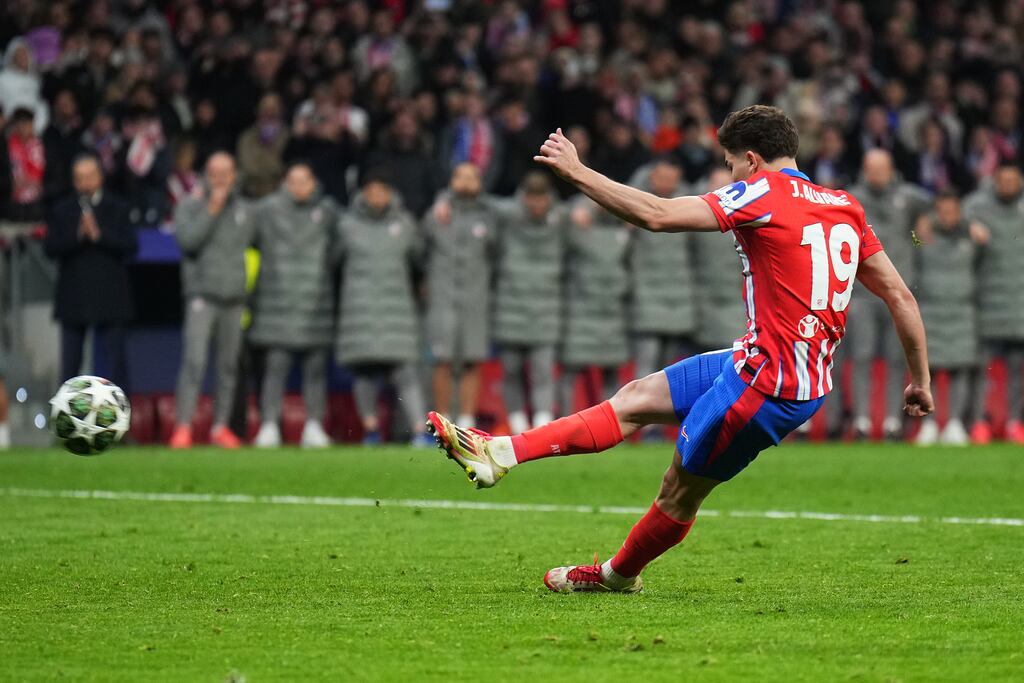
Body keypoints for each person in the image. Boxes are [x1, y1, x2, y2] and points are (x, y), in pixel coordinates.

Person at [427, 105, 933, 593]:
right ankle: (499, 453)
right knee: (637, 397)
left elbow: (656, 214)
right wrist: (919, 380)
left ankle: (616, 576)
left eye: (730, 163)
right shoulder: (844, 205)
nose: (729, 173)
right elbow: (900, 295)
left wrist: (579, 174)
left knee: (679, 491)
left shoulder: (760, 193)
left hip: (766, 388)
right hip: (764, 364)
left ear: (751, 160)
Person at [335, 169, 431, 446]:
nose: (377, 197)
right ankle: (371, 429)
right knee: (364, 372)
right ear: (363, 194)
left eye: (382, 191)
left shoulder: (405, 224)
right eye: (371, 191)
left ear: (390, 194)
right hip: (359, 308)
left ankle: (418, 430)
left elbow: (420, 260)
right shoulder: (347, 225)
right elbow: (334, 261)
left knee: (406, 371)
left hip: (397, 309)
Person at [169, 152, 254, 449]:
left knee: (228, 366)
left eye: (226, 172)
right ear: (206, 174)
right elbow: (188, 241)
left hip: (234, 296)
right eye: (214, 172)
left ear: (234, 175)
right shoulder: (189, 205)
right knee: (194, 361)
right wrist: (212, 208)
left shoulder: (245, 210)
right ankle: (183, 427)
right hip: (202, 295)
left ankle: (220, 427)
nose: (220, 178)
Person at [250, 162, 338, 448]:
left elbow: (338, 250)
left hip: (316, 305)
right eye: (293, 180)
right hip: (278, 306)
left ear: (313, 183)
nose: (299, 186)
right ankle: (269, 426)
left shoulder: (328, 212)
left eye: (305, 180)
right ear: (285, 183)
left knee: (315, 373)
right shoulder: (266, 210)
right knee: (275, 371)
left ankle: (313, 426)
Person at [844, 149, 931, 439]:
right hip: (860, 294)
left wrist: (923, 229)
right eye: (872, 168)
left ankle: (894, 420)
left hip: (897, 292)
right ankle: (862, 420)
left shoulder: (909, 198)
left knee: (897, 358)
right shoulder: (850, 199)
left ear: (891, 169)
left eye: (882, 168)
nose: (877, 174)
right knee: (861, 357)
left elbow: (940, 206)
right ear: (864, 170)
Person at [44, 154, 136, 390]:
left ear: (100, 177)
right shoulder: (62, 208)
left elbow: (130, 246)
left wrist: (98, 235)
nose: (85, 183)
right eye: (80, 178)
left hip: (111, 296)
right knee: (69, 368)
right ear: (74, 181)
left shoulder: (118, 206)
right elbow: (50, 248)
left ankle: (121, 422)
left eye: (90, 177)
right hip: (74, 297)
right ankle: (66, 422)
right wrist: (78, 235)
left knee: (117, 366)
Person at [491, 172, 566, 435]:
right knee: (510, 372)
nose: (537, 205)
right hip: (510, 308)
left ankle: (542, 427)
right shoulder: (506, 216)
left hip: (545, 310)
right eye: (532, 199)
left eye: (541, 199)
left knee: (543, 373)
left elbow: (593, 202)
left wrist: (586, 214)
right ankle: (518, 425)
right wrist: (444, 200)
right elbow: (472, 201)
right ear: (523, 198)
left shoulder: (562, 220)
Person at [423, 163, 496, 429]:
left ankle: (466, 422)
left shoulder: (489, 216)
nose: (466, 182)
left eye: (472, 177)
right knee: (441, 362)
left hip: (476, 300)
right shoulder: (436, 215)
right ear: (451, 180)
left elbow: (497, 254)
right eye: (460, 176)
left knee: (471, 361)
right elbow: (421, 252)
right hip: (442, 300)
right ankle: (443, 423)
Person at [914, 192, 983, 446]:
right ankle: (928, 424)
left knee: (960, 369)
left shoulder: (972, 237)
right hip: (930, 311)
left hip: (963, 311)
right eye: (942, 211)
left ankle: (954, 423)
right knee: (925, 372)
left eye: (952, 211)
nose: (947, 217)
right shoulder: (922, 237)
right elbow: (907, 244)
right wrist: (918, 226)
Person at [963, 163, 1024, 444]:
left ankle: (1015, 423)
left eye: (1014, 179)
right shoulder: (975, 208)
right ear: (995, 181)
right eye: (1004, 179)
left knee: (1018, 373)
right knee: (981, 370)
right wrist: (967, 230)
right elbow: (938, 235)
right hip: (987, 304)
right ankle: (978, 422)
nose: (1009, 184)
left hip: (1019, 306)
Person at [627, 159, 697, 384]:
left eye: (672, 179)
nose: (667, 184)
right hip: (647, 294)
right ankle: (642, 418)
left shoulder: (689, 205)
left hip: (678, 296)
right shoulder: (634, 202)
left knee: (669, 368)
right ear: (651, 176)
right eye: (662, 178)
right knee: (646, 367)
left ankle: (656, 419)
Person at [559, 196, 630, 415]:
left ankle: (612, 425)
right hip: (581, 309)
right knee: (571, 370)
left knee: (611, 372)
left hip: (614, 311)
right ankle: (564, 423)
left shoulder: (626, 232)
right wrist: (581, 207)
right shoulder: (575, 223)